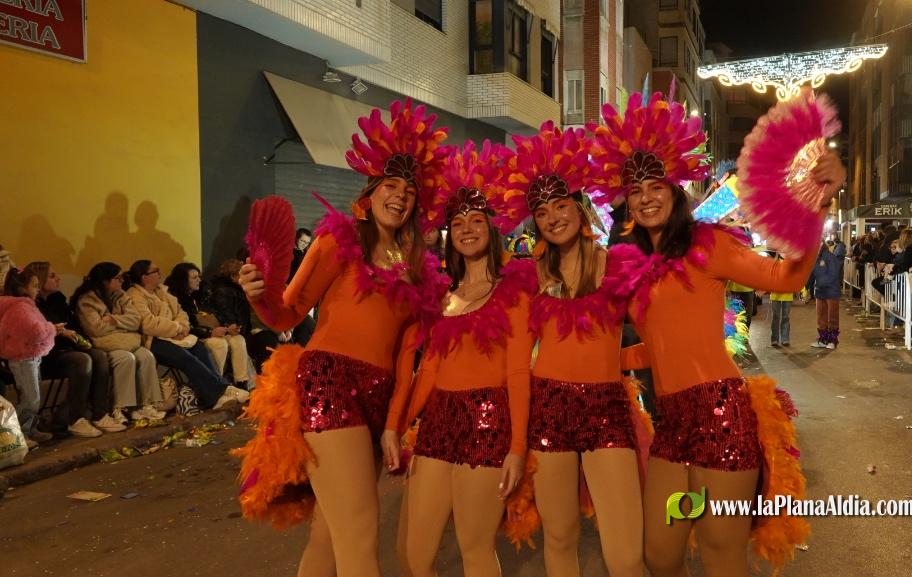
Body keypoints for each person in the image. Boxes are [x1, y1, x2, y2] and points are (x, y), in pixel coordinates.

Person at [588, 92, 846, 577]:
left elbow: (784, 278)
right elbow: (663, 342)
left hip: (720, 412)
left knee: (720, 555)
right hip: (672, 423)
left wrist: (817, 204)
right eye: (635, 189)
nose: (646, 196)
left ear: (674, 190)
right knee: (660, 556)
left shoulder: (708, 245)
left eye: (656, 185)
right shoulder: (633, 270)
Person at [234, 99, 449, 577]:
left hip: (379, 396)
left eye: (409, 191)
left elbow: (405, 361)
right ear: (368, 194)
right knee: (359, 531)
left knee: (330, 536)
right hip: (329, 383)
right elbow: (284, 312)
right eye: (390, 186)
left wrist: (394, 424)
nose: (400, 197)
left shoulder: (420, 275)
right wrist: (258, 295)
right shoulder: (340, 242)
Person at [382, 140, 532, 577]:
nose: (467, 229)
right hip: (438, 425)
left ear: (492, 228)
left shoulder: (514, 291)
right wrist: (398, 425)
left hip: (488, 423)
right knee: (414, 553)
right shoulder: (442, 296)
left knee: (475, 548)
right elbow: (427, 370)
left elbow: (518, 370)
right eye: (459, 222)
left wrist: (517, 449)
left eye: (477, 220)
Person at [509, 125, 649, 576]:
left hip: (607, 407)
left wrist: (624, 362)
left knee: (626, 551)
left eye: (560, 205)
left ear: (579, 206)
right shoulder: (529, 276)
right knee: (560, 537)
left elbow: (656, 334)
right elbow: (514, 360)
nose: (552, 217)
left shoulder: (617, 265)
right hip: (548, 409)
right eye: (542, 212)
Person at [125, 260, 241, 413]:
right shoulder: (135, 296)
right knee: (185, 357)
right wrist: (177, 328)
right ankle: (219, 393)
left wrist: (183, 328)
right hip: (153, 340)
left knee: (200, 348)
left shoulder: (162, 292)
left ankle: (217, 391)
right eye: (155, 271)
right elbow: (148, 323)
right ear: (144, 277)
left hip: (175, 336)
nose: (160, 274)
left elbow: (181, 313)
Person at [23, 262, 111, 438]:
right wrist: (59, 331)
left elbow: (73, 325)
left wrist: (79, 339)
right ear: (39, 280)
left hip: (67, 348)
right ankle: (75, 419)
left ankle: (100, 414)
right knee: (81, 360)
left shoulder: (57, 299)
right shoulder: (29, 304)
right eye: (52, 276)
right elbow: (36, 332)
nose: (58, 278)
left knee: (99, 355)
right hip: (46, 355)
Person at [72, 262, 161, 428]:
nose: (122, 281)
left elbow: (135, 321)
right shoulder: (87, 300)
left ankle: (146, 404)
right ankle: (120, 407)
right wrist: (122, 324)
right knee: (126, 359)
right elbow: (96, 328)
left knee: (146, 355)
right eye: (118, 278)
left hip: (125, 342)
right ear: (105, 281)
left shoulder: (121, 295)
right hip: (104, 346)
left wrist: (113, 319)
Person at [165, 263, 252, 389]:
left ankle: (241, 383)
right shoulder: (176, 300)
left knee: (238, 340)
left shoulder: (202, 294)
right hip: (193, 336)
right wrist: (209, 332)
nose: (199, 280)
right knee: (219, 344)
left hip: (211, 332)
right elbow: (186, 326)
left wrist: (228, 327)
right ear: (183, 280)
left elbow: (215, 315)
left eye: (199, 276)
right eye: (194, 278)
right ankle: (216, 384)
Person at [0, 268, 56, 449]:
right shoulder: (20, 308)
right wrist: (51, 328)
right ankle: (19, 432)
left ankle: (31, 428)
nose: (37, 289)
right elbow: (36, 332)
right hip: (23, 359)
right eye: (34, 285)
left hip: (31, 357)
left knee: (35, 395)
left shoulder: (24, 305)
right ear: (22, 288)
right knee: (30, 398)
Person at [207, 259, 280, 374]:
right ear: (232, 277)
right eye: (242, 274)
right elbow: (226, 314)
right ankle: (263, 377)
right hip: (235, 331)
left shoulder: (238, 289)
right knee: (266, 341)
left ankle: (266, 376)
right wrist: (233, 326)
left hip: (245, 329)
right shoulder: (224, 292)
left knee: (268, 338)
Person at [811, 239, 846, 349]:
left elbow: (833, 274)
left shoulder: (830, 257)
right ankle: (823, 339)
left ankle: (833, 340)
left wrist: (820, 283)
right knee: (821, 317)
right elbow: (811, 275)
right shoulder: (814, 259)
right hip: (820, 291)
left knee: (832, 317)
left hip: (831, 291)